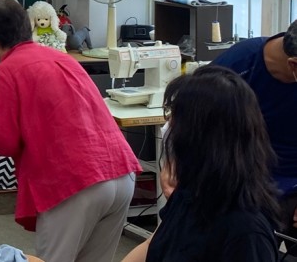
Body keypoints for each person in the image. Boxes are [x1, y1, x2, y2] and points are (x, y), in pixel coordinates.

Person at [0, 0, 140, 262]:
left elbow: (4, 140)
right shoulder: (63, 59)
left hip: (75, 182)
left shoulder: (7, 71)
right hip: (119, 170)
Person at [121, 65, 281, 262]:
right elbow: (151, 245)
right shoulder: (191, 194)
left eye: (176, 119)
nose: (169, 127)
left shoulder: (246, 233)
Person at [212, 19, 297, 235]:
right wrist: (174, 164)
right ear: (294, 65)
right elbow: (191, 118)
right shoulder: (237, 64)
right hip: (244, 188)